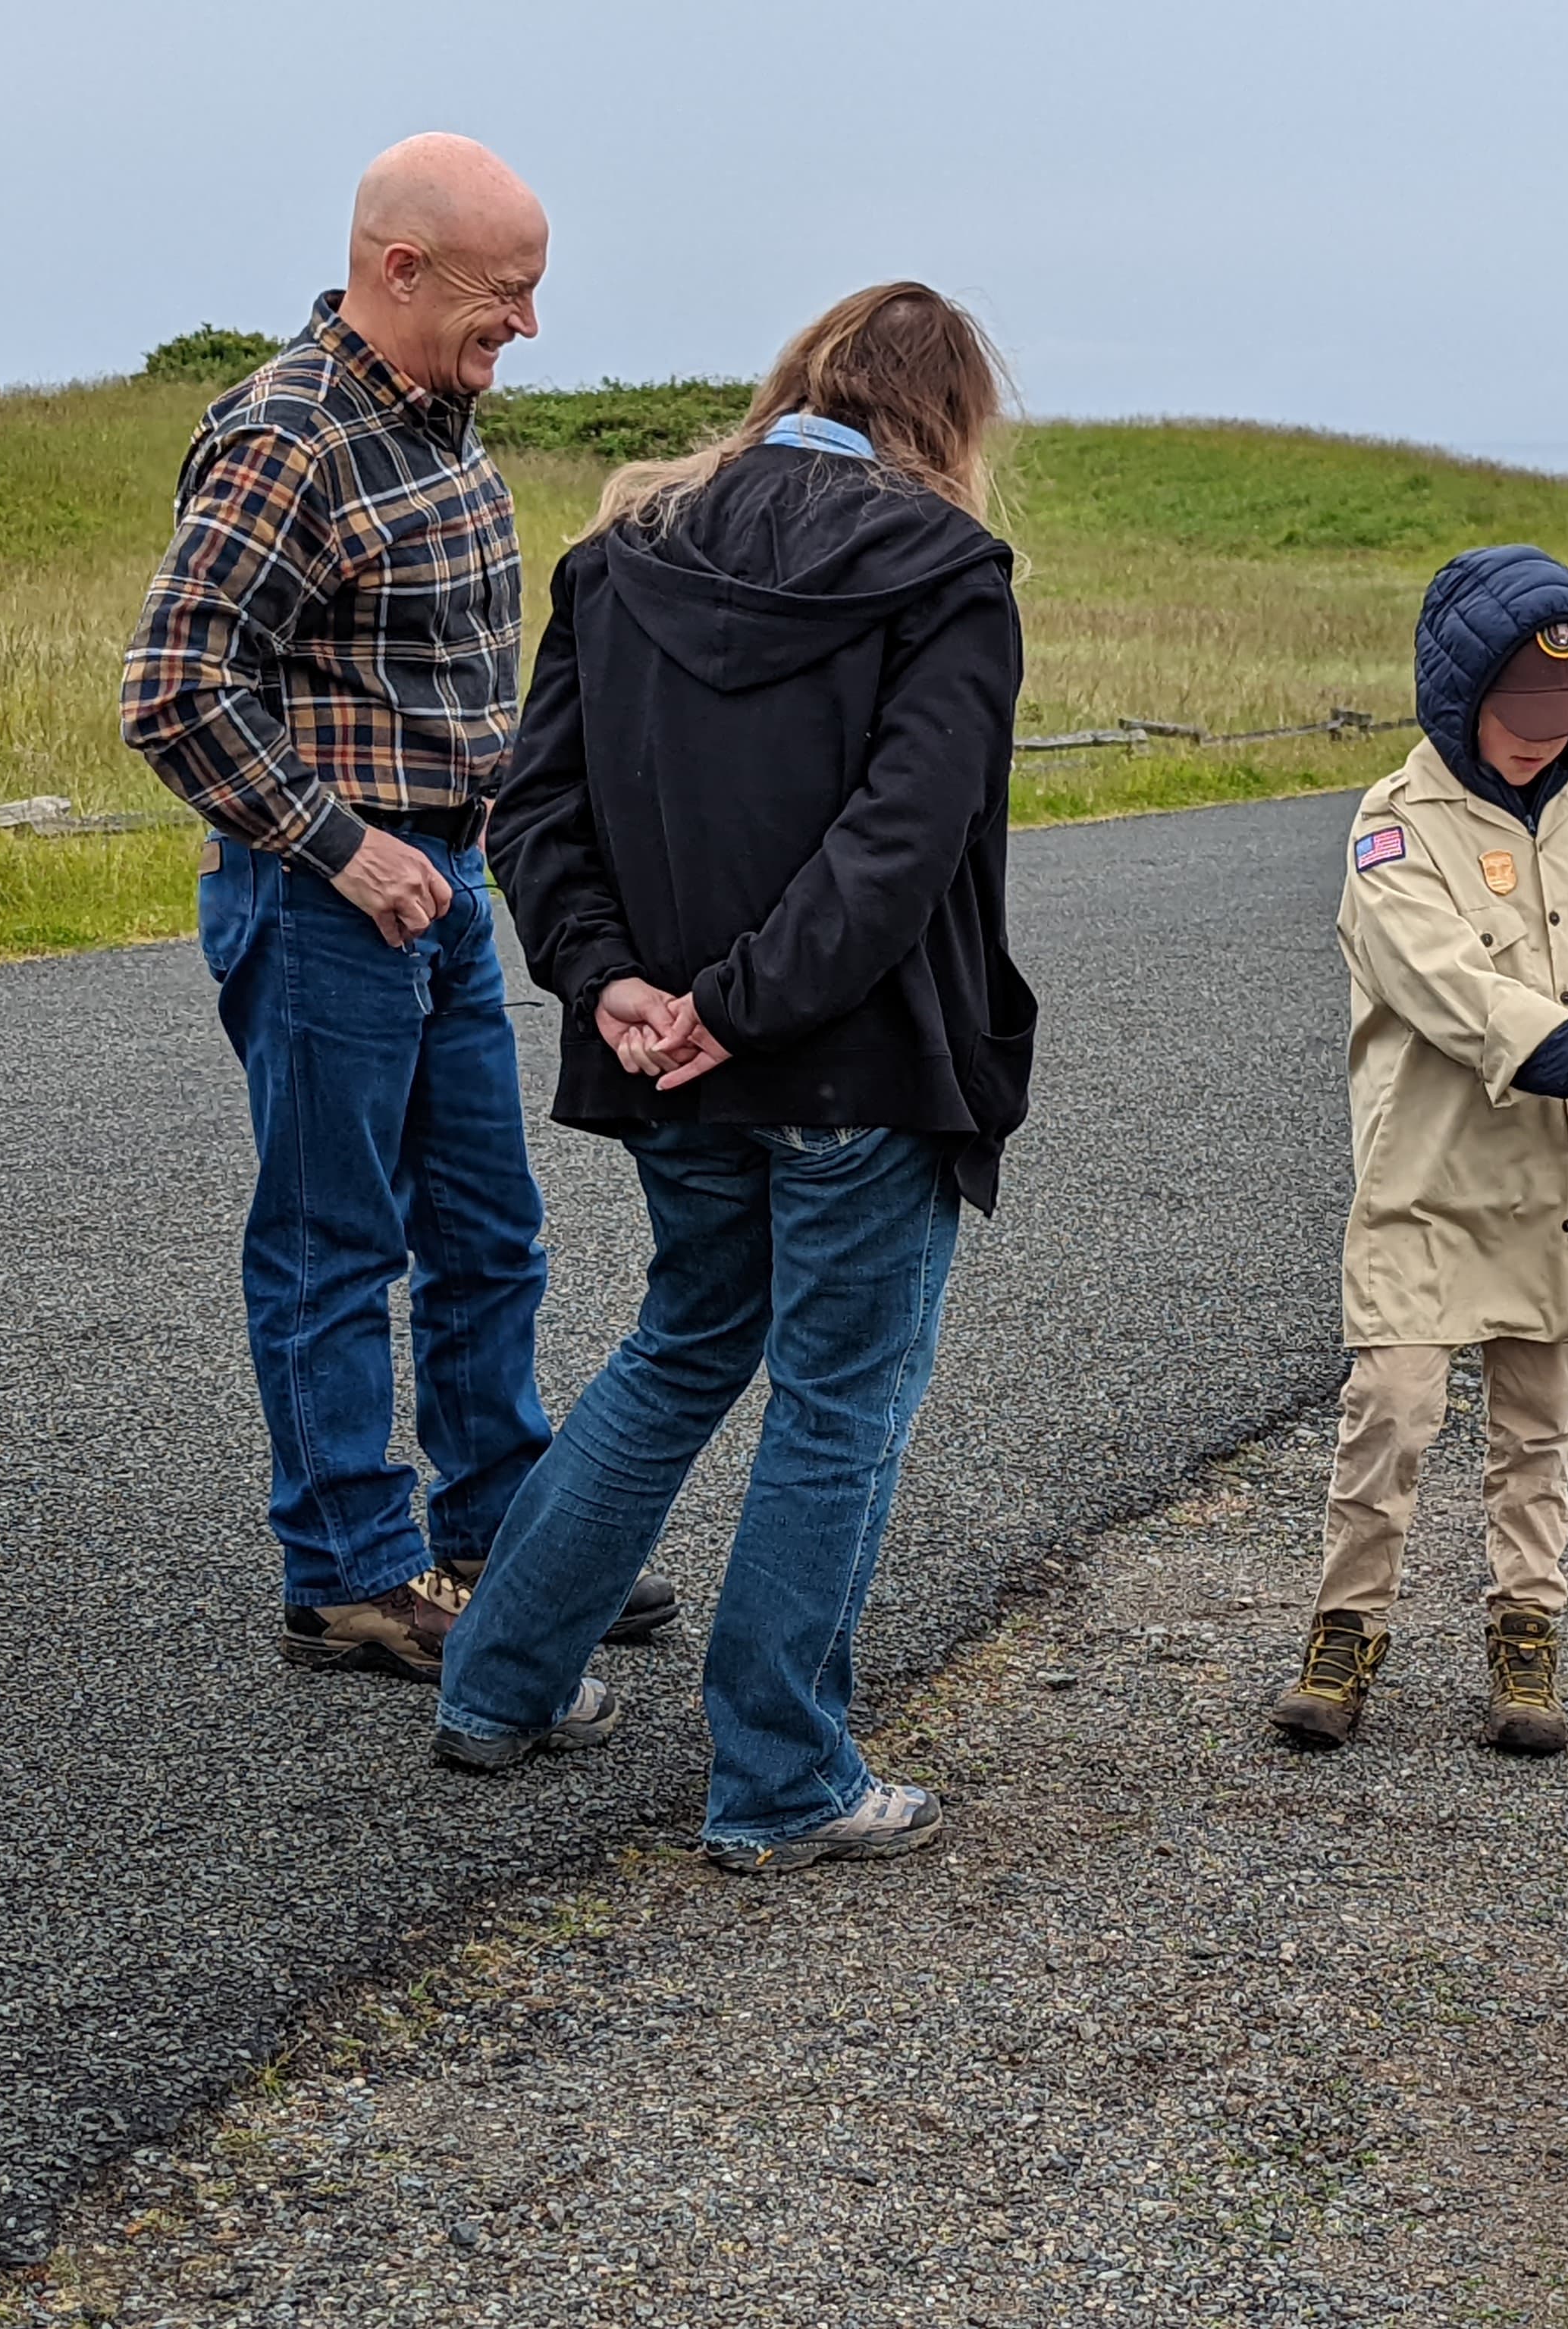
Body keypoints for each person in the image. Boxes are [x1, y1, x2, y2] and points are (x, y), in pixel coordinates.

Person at [434, 284, 1035, 1876]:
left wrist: (619, 984)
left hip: (668, 1060)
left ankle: (499, 1684)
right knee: (838, 1402)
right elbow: (902, 846)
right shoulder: (948, 573)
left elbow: (532, 809)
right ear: (950, 419)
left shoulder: (623, 554)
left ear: (798, 382)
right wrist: (736, 1005)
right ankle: (779, 1776)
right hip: (852, 1062)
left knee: (685, 1341)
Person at [123, 133, 676, 1680]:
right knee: (334, 1239)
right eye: (508, 294)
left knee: (490, 1228)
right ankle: (354, 1576)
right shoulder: (286, 436)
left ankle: (506, 1532)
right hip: (325, 902)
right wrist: (340, 845)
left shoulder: (438, 423)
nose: (529, 326)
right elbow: (174, 690)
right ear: (401, 267)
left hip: (448, 887)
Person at [1269, 546, 1568, 1757]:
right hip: (1432, 1178)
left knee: (1540, 1421)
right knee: (1393, 1406)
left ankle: (1527, 1635)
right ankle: (1346, 1630)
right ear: (1456, 695)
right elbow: (1442, 982)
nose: (1543, 740)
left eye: (1565, 717)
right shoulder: (1391, 831)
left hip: (1561, 1177)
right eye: (1521, 716)